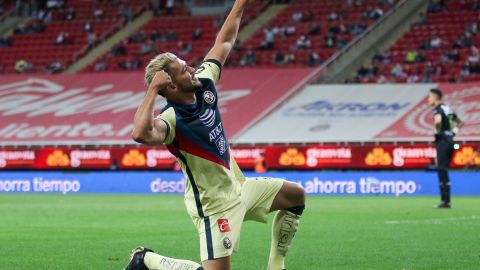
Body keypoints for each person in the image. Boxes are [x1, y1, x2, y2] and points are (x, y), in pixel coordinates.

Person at [125, 0, 306, 269]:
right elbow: (140, 133)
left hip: (240, 188)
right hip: (214, 207)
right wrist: (152, 90)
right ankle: (147, 260)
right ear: (171, 85)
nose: (191, 68)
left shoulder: (204, 83)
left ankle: (275, 264)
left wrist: (240, 4)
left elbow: (224, 42)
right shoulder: (172, 120)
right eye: (183, 70)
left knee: (295, 196)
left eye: (187, 64)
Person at [428, 88, 464, 208]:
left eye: (430, 97)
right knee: (444, 170)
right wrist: (453, 132)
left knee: (441, 169)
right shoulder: (448, 109)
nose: (428, 99)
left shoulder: (437, 109)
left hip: (443, 142)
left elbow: (437, 122)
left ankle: (445, 201)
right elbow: (460, 123)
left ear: (435, 97)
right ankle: (446, 200)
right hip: (451, 142)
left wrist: (437, 132)